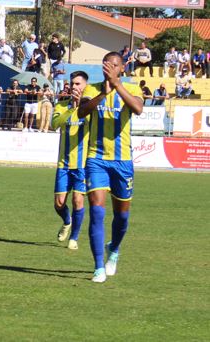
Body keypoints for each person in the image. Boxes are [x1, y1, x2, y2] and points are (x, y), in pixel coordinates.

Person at [76, 51, 144, 283]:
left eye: (114, 65)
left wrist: (117, 86)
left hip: (122, 161)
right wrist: (102, 96)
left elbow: (137, 108)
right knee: (96, 211)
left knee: (122, 217)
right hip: (96, 159)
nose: (109, 68)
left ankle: (113, 250)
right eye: (106, 64)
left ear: (121, 68)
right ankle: (98, 267)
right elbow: (81, 111)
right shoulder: (92, 89)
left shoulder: (132, 89)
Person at [50, 71, 90, 251]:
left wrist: (82, 105)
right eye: (72, 84)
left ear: (85, 86)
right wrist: (72, 108)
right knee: (59, 203)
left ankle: (74, 237)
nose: (74, 87)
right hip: (63, 164)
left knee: (77, 200)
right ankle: (67, 221)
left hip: (82, 165)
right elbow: (55, 124)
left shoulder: (90, 109)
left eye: (78, 84)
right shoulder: (61, 106)